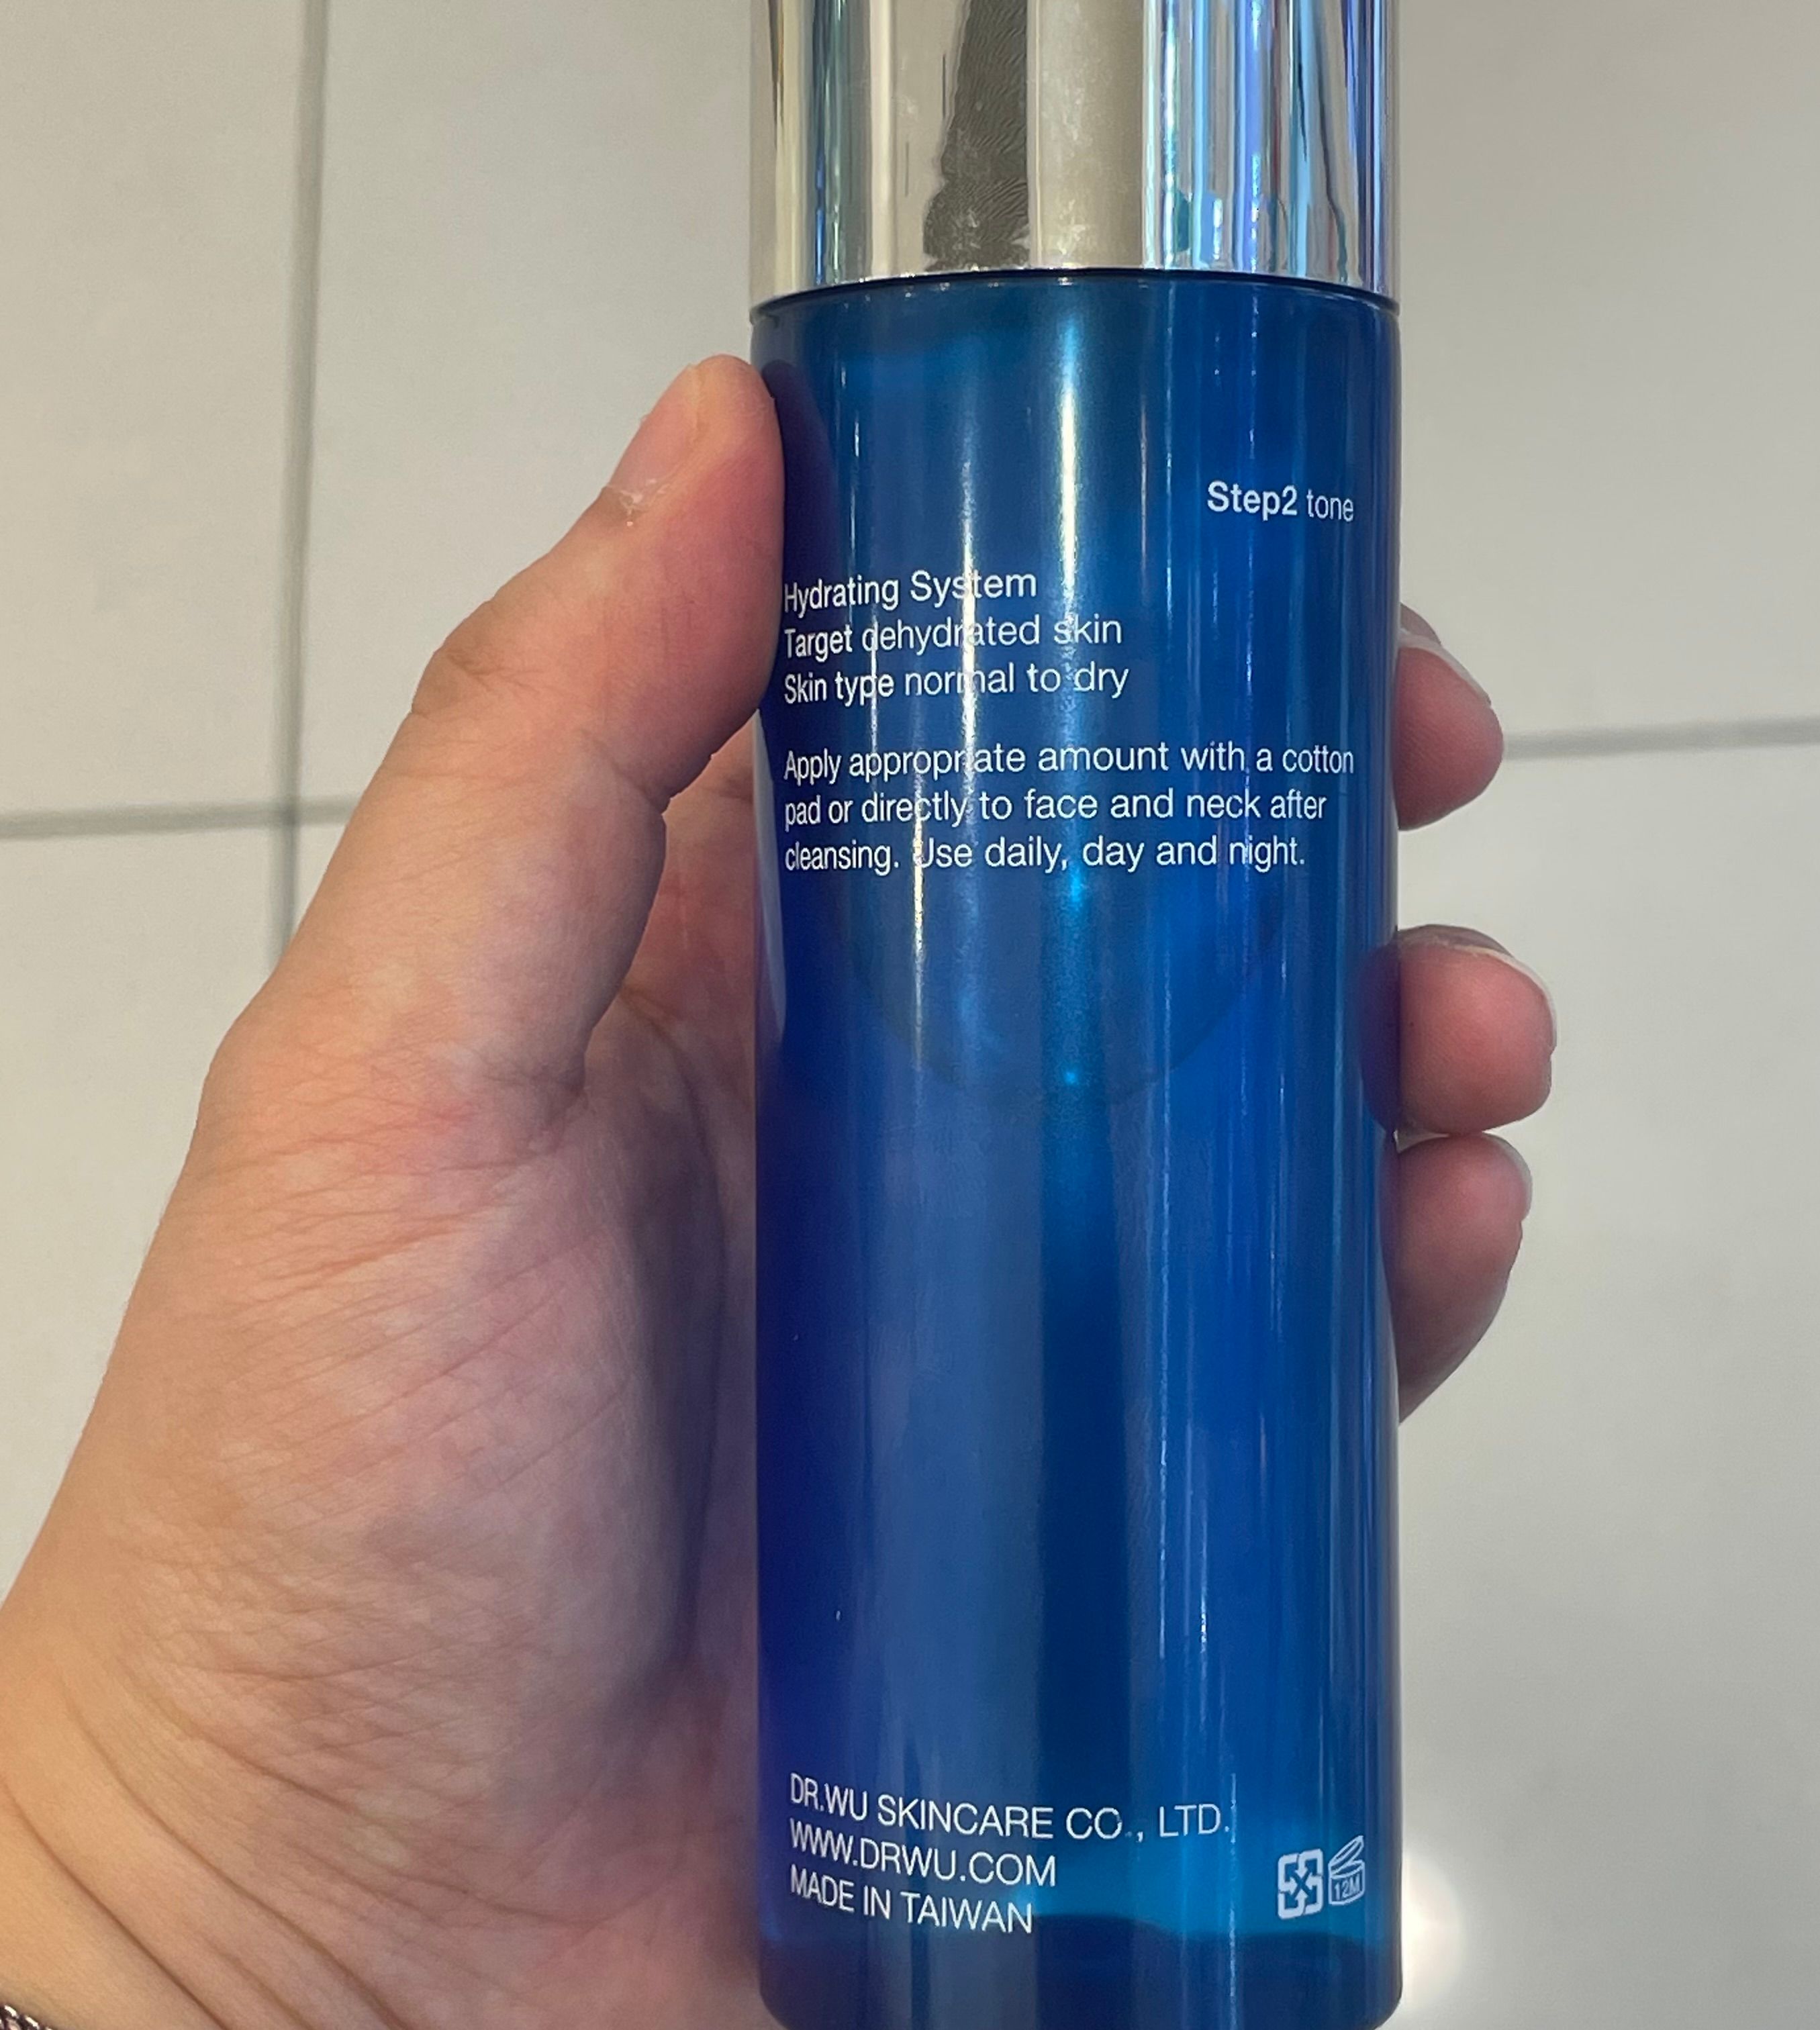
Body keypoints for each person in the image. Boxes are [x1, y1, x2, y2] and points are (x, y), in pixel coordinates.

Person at [0, 360, 1555, 2030]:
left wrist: (165, 1942)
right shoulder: (922, 399)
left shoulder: (1113, 394)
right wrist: (177, 1926)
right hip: (839, 1877)